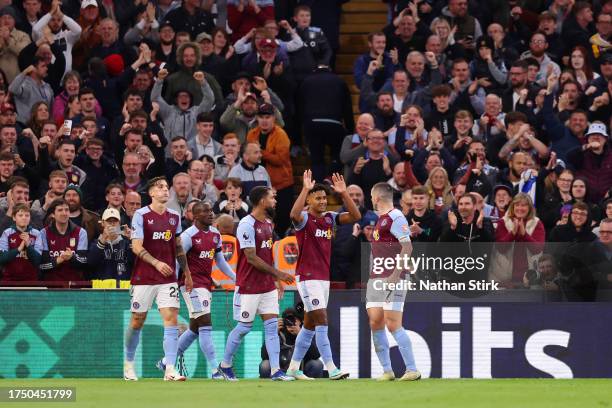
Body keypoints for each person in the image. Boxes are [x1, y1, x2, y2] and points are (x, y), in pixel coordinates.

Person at [286, 170, 360, 380]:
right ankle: (332, 367)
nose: (323, 201)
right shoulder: (303, 220)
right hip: (307, 277)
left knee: (309, 325)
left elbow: (356, 216)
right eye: (318, 197)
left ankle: (292, 368)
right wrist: (305, 189)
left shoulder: (330, 219)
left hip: (323, 278)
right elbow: (293, 215)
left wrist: (344, 194)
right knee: (321, 320)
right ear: (308, 199)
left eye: (325, 198)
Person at [218, 186, 295, 381]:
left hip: (267, 285)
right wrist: (278, 273)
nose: (275, 201)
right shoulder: (246, 224)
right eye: (272, 197)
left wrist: (276, 279)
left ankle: (276, 370)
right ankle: (225, 365)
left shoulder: (268, 224)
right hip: (249, 286)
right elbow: (251, 258)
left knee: (271, 327)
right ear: (262, 200)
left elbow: (268, 256)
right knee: (244, 327)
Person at [123, 176, 193, 382]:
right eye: (160, 187)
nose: (165, 190)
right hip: (144, 277)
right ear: (151, 193)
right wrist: (156, 263)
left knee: (171, 319)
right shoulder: (141, 215)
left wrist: (186, 273)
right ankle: (128, 364)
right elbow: (136, 246)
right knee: (137, 321)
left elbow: (178, 246)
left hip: (168, 278)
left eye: (166, 187)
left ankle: (170, 369)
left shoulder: (174, 216)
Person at [155, 201, 236, 379]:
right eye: (205, 211)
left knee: (195, 328)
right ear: (195, 215)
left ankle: (165, 362)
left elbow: (220, 261)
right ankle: (216, 370)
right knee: (206, 325)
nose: (211, 213)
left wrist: (237, 278)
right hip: (190, 285)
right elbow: (177, 260)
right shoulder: (188, 236)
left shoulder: (215, 234)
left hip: (205, 285)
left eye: (211, 210)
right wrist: (173, 284)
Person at [365, 182, 420, 381]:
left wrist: (396, 275)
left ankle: (412, 369)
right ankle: (387, 371)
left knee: (392, 323)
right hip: (377, 277)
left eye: (371, 196)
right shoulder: (383, 219)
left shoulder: (395, 216)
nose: (371, 200)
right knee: (375, 322)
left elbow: (408, 248)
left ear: (377, 197)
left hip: (392, 277)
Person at [246, 103, 293, 235]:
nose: (264, 120)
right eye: (261, 117)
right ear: (257, 118)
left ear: (273, 118)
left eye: (267, 117)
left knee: (282, 220)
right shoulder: (252, 134)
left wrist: (259, 152)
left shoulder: (281, 134)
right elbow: (249, 156)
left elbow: (280, 159)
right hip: (261, 185)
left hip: (281, 185)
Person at [493, 193, 546, 285]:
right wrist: (513, 233)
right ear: (512, 207)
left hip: (530, 277)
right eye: (517, 205)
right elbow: (500, 248)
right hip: (504, 278)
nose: (520, 208)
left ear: (529, 208)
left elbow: (537, 249)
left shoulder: (537, 223)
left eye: (524, 205)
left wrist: (524, 235)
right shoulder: (503, 222)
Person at [259, 306, 323, 379]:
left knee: (317, 364)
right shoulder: (278, 333)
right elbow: (264, 356)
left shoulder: (305, 332)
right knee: (265, 365)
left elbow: (316, 355)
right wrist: (274, 333)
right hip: (280, 369)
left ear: (300, 321)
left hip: (300, 371)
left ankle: (310, 387)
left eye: (293, 320)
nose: (290, 323)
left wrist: (300, 334)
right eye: (288, 320)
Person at [38, 198, 88, 281]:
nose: (64, 213)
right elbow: (42, 266)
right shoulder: (43, 233)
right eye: (60, 210)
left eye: (66, 210)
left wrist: (72, 257)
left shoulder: (81, 232)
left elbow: (84, 261)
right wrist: (58, 260)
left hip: (74, 285)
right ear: (53, 214)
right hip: (51, 286)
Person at [87, 208, 133, 281]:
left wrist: (132, 239)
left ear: (120, 223)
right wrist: (103, 241)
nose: (112, 224)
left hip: (123, 288)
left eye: (115, 221)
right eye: (109, 221)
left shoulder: (126, 242)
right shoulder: (95, 242)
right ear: (102, 223)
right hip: (102, 288)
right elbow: (90, 263)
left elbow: (134, 262)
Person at [0, 203, 41, 281]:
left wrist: (28, 246)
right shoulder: (7, 233)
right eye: (20, 215)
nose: (24, 218)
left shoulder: (37, 234)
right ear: (14, 217)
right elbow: (2, 258)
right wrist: (18, 249)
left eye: (27, 215)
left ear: (30, 218)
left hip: (31, 280)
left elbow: (38, 261)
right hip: (9, 279)